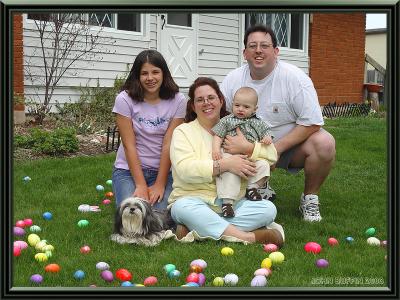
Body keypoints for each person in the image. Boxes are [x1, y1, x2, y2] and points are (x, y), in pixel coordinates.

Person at [220, 25, 336, 222]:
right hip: (242, 147)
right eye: (252, 46)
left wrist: (276, 150)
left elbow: (313, 122)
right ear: (244, 53)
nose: (258, 50)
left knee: (325, 143)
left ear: (275, 52)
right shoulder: (233, 79)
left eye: (264, 45)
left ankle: (309, 198)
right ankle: (253, 185)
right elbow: (220, 115)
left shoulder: (295, 78)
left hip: (287, 148)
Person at [167, 77, 284, 246]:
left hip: (234, 202)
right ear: (193, 106)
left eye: (211, 98)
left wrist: (248, 148)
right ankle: (249, 237)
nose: (206, 103)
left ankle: (196, 229)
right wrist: (226, 165)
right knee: (182, 208)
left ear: (221, 100)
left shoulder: (239, 125)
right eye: (200, 100)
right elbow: (185, 170)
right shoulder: (183, 132)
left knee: (268, 209)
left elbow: (272, 155)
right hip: (194, 199)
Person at [111, 49, 186, 210]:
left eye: (155, 72)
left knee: (160, 215)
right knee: (132, 213)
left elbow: (169, 143)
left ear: (164, 74)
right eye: (144, 73)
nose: (150, 78)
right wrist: (140, 185)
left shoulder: (178, 100)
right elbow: (128, 145)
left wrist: (160, 184)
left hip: (164, 171)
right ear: (137, 76)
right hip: (128, 171)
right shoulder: (124, 99)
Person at [211, 86, 277, 218]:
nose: (240, 109)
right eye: (237, 105)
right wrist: (216, 149)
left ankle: (252, 188)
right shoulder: (227, 120)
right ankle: (227, 203)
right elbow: (217, 135)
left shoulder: (259, 123)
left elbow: (267, 133)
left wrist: (267, 138)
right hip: (230, 154)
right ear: (233, 105)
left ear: (255, 109)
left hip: (250, 156)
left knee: (263, 165)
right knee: (229, 174)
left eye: (246, 107)